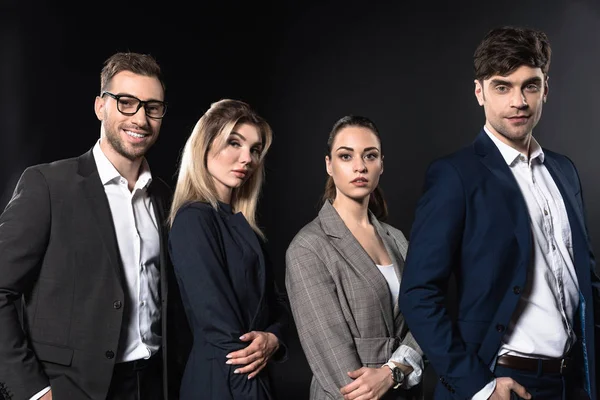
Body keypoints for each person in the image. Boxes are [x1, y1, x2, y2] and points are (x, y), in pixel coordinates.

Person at [399, 26, 599, 400]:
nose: (519, 101)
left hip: (573, 381)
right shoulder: (455, 175)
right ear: (480, 92)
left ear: (545, 89)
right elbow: (418, 294)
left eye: (530, 86)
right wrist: (479, 386)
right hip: (503, 382)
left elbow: (584, 278)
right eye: (503, 86)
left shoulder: (564, 170)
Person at [0, 51, 188, 400]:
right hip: (72, 389)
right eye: (126, 103)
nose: (140, 119)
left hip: (152, 386)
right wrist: (33, 391)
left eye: (152, 107)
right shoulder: (48, 185)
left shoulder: (165, 198)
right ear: (101, 107)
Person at [285, 115, 424, 400]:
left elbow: (426, 321)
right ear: (329, 165)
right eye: (346, 156)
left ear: (381, 164)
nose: (360, 166)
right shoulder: (308, 247)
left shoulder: (397, 239)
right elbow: (335, 360)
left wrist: (391, 374)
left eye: (369, 156)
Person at [167, 98, 290, 399]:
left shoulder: (244, 226)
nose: (246, 158)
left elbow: (277, 306)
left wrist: (273, 338)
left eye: (255, 149)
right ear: (205, 146)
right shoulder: (193, 220)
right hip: (223, 383)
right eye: (234, 143)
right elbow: (221, 330)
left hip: (252, 380)